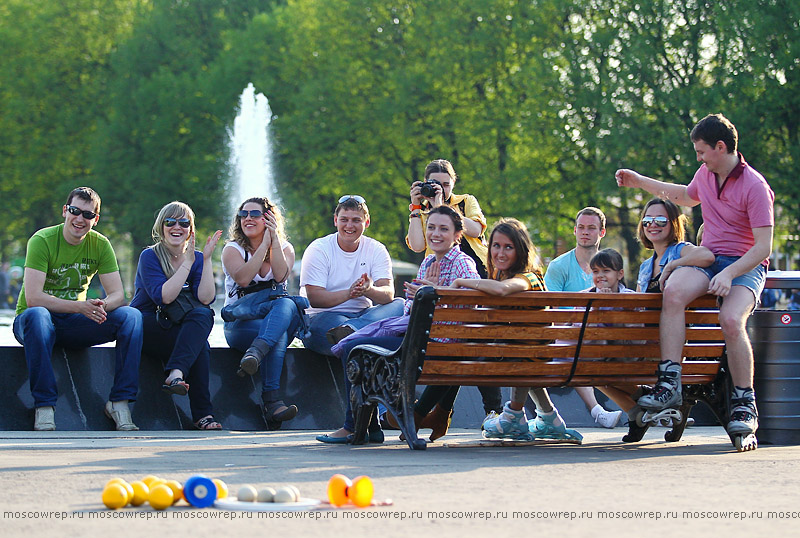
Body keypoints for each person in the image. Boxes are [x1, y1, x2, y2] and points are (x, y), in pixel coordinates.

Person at [616, 113, 774, 442]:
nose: (698, 158)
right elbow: (685, 196)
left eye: (701, 151)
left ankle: (745, 401)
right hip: (710, 259)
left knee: (731, 319)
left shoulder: (755, 187)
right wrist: (639, 181)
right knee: (672, 292)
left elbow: (763, 248)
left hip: (745, 265)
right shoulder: (706, 173)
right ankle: (669, 383)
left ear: (721, 147)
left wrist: (730, 274)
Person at [319, 205, 481, 443]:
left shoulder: (462, 263)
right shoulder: (428, 263)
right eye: (432, 227)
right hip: (421, 338)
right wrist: (422, 299)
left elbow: (472, 305)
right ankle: (367, 427)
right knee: (355, 347)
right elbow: (410, 311)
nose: (435, 234)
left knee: (355, 350)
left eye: (443, 229)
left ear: (457, 234)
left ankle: (355, 426)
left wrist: (435, 293)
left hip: (438, 346)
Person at [13, 187, 142, 431]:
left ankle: (119, 402)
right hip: (34, 323)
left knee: (131, 316)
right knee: (38, 315)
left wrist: (98, 306)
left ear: (96, 219)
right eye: (75, 211)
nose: (80, 219)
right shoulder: (42, 240)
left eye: (88, 215)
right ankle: (44, 406)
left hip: (74, 323)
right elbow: (33, 298)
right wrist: (80, 307)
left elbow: (118, 296)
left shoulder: (101, 244)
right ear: (65, 211)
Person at [458, 218, 582, 442]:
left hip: (528, 357)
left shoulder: (527, 278)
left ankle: (514, 415)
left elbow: (504, 290)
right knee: (521, 348)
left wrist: (463, 281)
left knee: (520, 351)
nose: (500, 253)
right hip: (530, 354)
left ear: (521, 250)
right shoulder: (503, 276)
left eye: (508, 247)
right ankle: (549, 417)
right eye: (496, 246)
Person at [407, 158, 501, 416]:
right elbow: (416, 245)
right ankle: (443, 413)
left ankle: (431, 412)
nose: (442, 189)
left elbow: (475, 229)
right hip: (440, 276)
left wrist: (442, 207)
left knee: (467, 340)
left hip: (477, 276)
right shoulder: (422, 210)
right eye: (435, 184)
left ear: (454, 184)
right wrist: (417, 207)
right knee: (461, 342)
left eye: (446, 184)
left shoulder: (465, 201)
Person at [130, 202, 222, 430]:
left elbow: (206, 299)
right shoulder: (149, 256)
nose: (176, 227)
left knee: (203, 316)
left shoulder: (198, 258)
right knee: (200, 345)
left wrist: (207, 259)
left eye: (184, 223)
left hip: (180, 326)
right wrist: (187, 264)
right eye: (170, 222)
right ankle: (203, 415)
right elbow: (165, 297)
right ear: (161, 227)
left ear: (191, 229)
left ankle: (177, 373)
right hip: (149, 324)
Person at [221, 197, 304, 427]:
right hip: (240, 324)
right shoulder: (232, 249)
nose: (248, 218)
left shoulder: (285, 248)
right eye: (244, 214)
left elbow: (280, 276)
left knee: (285, 304)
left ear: (269, 218)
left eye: (255, 214)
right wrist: (262, 245)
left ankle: (256, 353)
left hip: (269, 324)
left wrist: (272, 241)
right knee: (277, 334)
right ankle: (272, 403)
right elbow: (244, 279)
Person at [544, 207, 623, 428]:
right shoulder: (559, 266)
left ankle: (652, 410)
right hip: (571, 338)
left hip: (606, 336)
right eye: (581, 227)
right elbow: (553, 314)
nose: (585, 232)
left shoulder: (610, 265)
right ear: (575, 230)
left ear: (602, 232)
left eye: (591, 228)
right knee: (576, 344)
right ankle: (597, 410)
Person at [300, 195, 404, 357]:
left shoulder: (376, 249)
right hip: (323, 317)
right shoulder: (319, 249)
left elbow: (388, 294)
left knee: (400, 305)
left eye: (356, 220)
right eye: (344, 220)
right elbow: (315, 298)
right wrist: (350, 293)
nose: (349, 225)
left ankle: (354, 332)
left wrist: (368, 290)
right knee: (335, 328)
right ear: (336, 221)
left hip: (363, 315)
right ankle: (367, 338)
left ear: (366, 222)